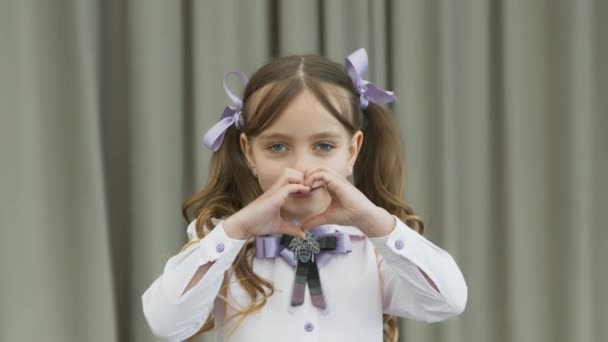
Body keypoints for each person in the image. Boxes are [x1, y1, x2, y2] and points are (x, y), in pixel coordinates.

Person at [141, 48, 467, 342]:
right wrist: (236, 231)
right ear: (249, 153)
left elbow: (448, 301)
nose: (301, 167)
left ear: (352, 151)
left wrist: (375, 222)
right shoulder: (221, 238)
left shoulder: (376, 245)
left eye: (324, 146)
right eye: (278, 147)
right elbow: (166, 323)